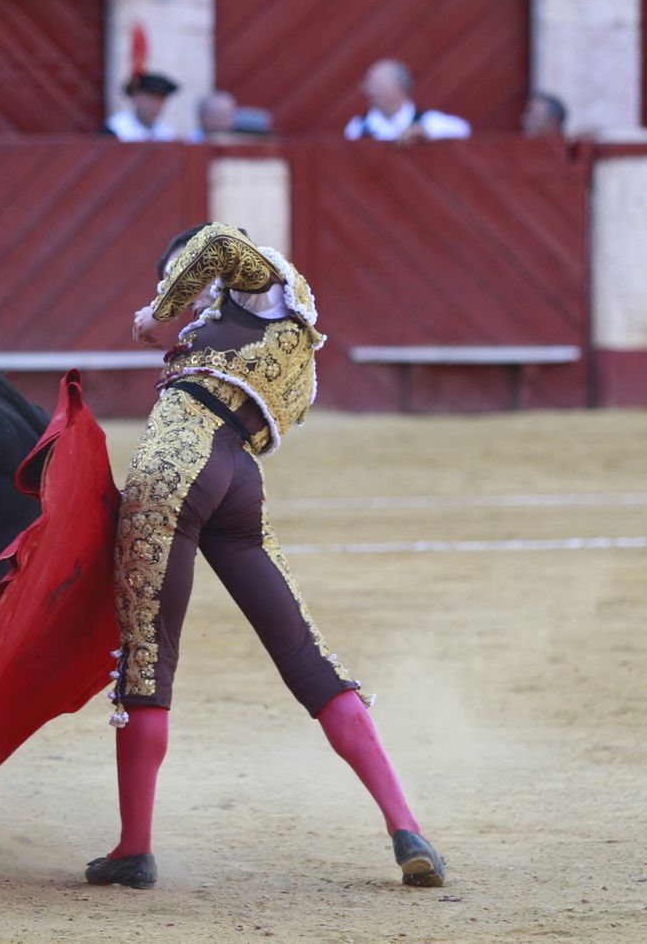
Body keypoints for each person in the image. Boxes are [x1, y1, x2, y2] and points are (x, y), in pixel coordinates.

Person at [86, 222, 446, 891]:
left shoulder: (258, 282)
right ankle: (406, 828)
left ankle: (134, 849)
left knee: (148, 654)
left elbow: (216, 243)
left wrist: (159, 311)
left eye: (181, 281)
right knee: (306, 655)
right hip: (238, 486)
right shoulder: (291, 340)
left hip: (177, 467)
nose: (186, 299)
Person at [344, 58, 470, 144]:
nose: (368, 89)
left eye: (376, 85)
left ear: (396, 89)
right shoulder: (359, 126)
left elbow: (462, 130)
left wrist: (424, 132)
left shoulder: (426, 121)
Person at [106, 71, 179, 141]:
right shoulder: (116, 130)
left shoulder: (166, 134)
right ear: (136, 97)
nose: (154, 105)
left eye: (160, 100)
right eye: (150, 99)